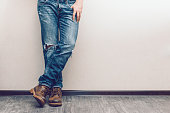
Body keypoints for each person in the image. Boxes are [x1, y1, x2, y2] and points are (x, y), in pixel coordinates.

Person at [30, 0, 83, 107]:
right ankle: (56, 89)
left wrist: (79, 2)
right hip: (46, 4)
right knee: (50, 47)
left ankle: (44, 85)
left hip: (70, 4)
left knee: (68, 44)